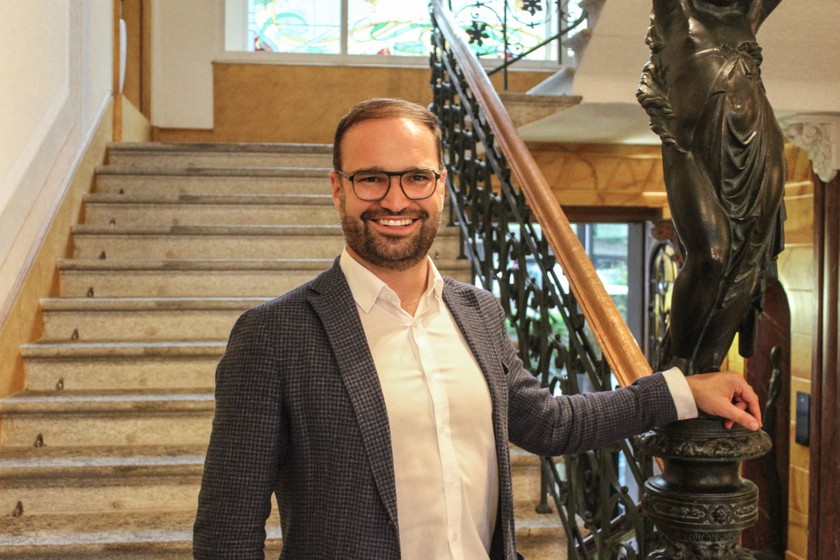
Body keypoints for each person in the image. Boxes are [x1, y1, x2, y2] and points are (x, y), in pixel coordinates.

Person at [192, 98, 762, 560]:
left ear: (441, 186)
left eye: (416, 177)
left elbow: (547, 423)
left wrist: (681, 390)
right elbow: (227, 529)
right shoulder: (274, 335)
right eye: (371, 179)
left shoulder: (478, 312)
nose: (396, 199)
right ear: (338, 188)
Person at [637, 0, 786, 375]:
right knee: (713, 254)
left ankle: (709, 368)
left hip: (758, 146)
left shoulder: (747, 14)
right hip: (692, 146)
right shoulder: (678, 11)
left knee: (746, 263)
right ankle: (676, 366)